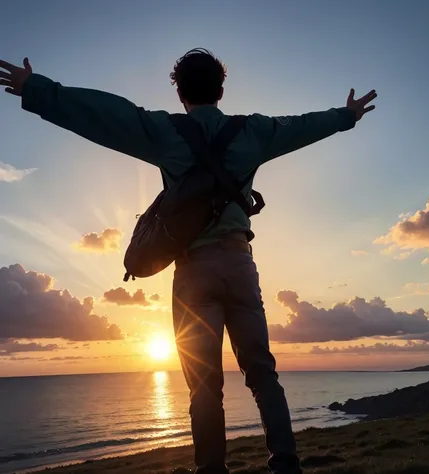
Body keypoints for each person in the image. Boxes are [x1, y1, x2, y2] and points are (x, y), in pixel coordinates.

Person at [0, 49, 376, 474]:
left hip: (193, 270)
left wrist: (37, 89)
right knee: (262, 374)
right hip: (239, 264)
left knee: (204, 386)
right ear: (221, 88)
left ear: (179, 92)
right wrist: (345, 116)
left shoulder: (166, 131)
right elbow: (302, 127)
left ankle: (211, 470)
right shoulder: (252, 131)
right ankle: (286, 465)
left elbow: (104, 115)